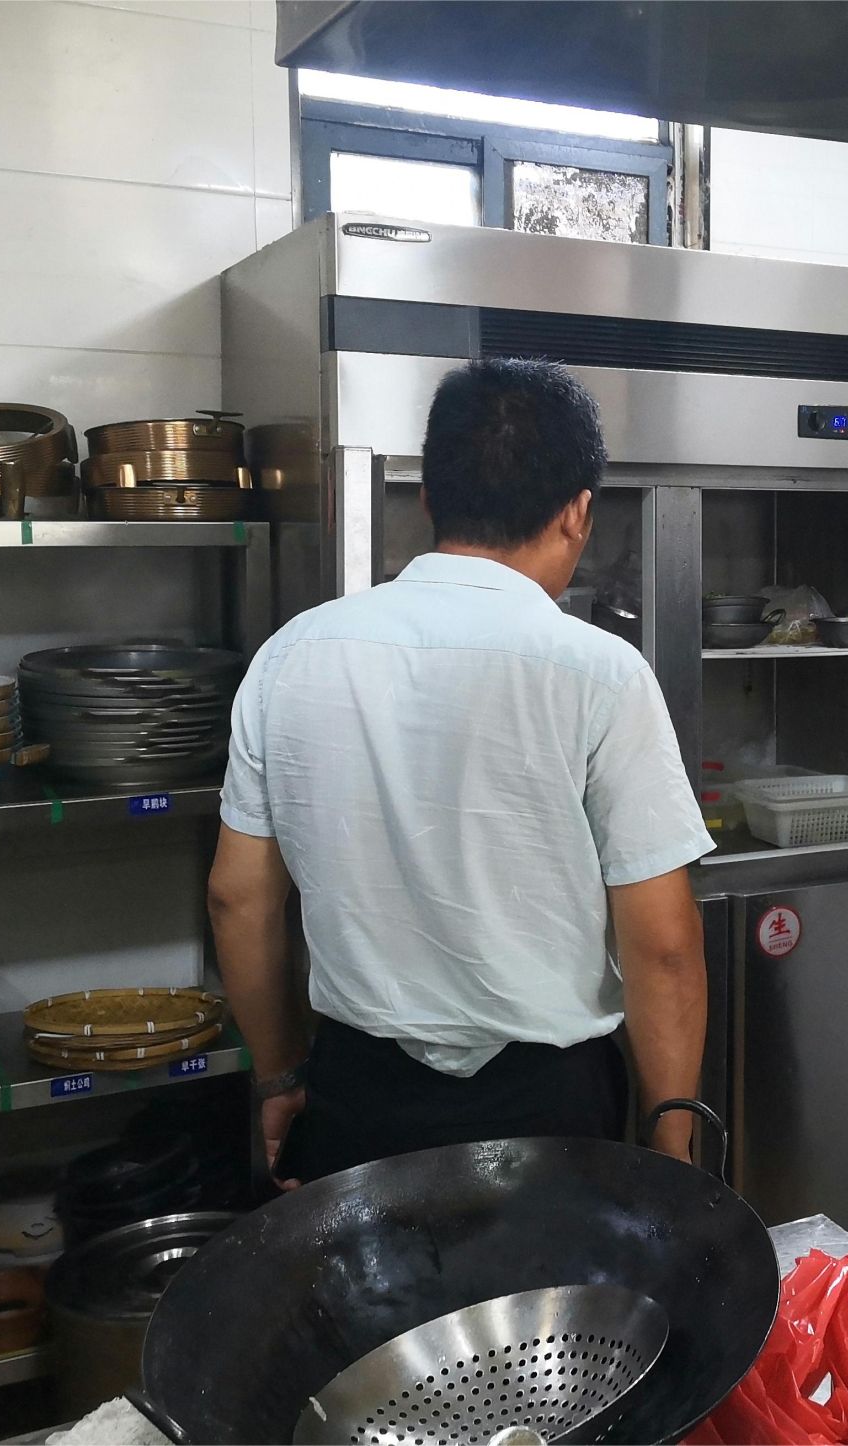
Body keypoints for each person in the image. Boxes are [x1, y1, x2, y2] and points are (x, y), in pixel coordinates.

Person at [208, 357, 713, 1186]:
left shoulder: (290, 656)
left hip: (356, 1093)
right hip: (549, 1103)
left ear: (427, 500)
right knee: (553, 1278)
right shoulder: (600, 672)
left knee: (374, 1278)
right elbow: (662, 947)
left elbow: (239, 898)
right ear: (579, 513)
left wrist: (279, 1075)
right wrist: (672, 1145)